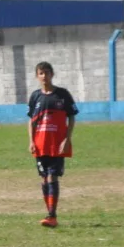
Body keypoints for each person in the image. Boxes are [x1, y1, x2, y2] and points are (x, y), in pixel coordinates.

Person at [27, 61, 78, 228]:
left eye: (47, 73)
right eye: (41, 73)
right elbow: (31, 122)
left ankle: (52, 215)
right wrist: (31, 141)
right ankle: (50, 214)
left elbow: (71, 117)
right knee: (43, 179)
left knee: (52, 176)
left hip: (57, 144)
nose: (44, 76)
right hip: (40, 144)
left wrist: (67, 139)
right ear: (37, 76)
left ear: (52, 74)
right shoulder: (35, 96)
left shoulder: (62, 95)